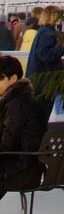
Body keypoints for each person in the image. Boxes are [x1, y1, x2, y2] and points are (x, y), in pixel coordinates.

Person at [0, 55, 48, 200]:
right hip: (28, 167)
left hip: (22, 171)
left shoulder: (17, 103)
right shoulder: (23, 98)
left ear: (13, 78)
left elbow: (7, 146)